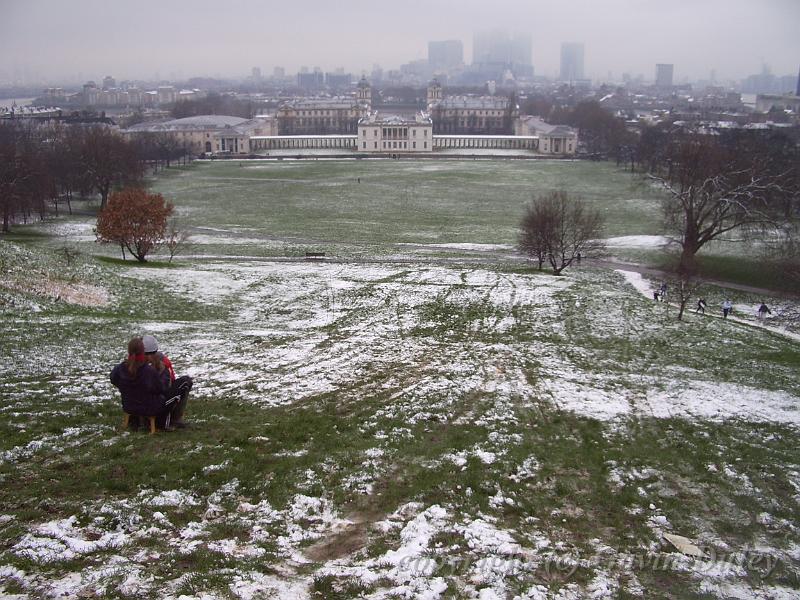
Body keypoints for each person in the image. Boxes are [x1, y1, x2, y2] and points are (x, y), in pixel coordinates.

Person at [111, 337, 176, 431]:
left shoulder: (120, 368)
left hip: (128, 406)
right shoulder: (148, 371)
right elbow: (161, 389)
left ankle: (133, 421)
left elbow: (113, 379)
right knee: (183, 384)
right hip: (149, 409)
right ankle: (171, 420)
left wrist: (125, 389)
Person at [142, 334, 192, 429]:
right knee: (185, 382)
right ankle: (173, 419)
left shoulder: (128, 365)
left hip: (133, 404)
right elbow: (164, 387)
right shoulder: (159, 365)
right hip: (154, 404)